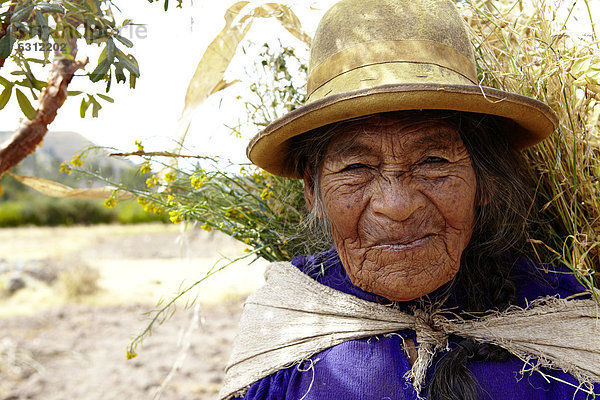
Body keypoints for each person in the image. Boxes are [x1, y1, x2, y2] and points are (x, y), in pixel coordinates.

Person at [219, 0, 600, 399]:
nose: (397, 206)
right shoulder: (284, 323)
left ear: (484, 181)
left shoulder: (559, 318)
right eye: (356, 168)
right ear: (313, 192)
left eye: (433, 161)